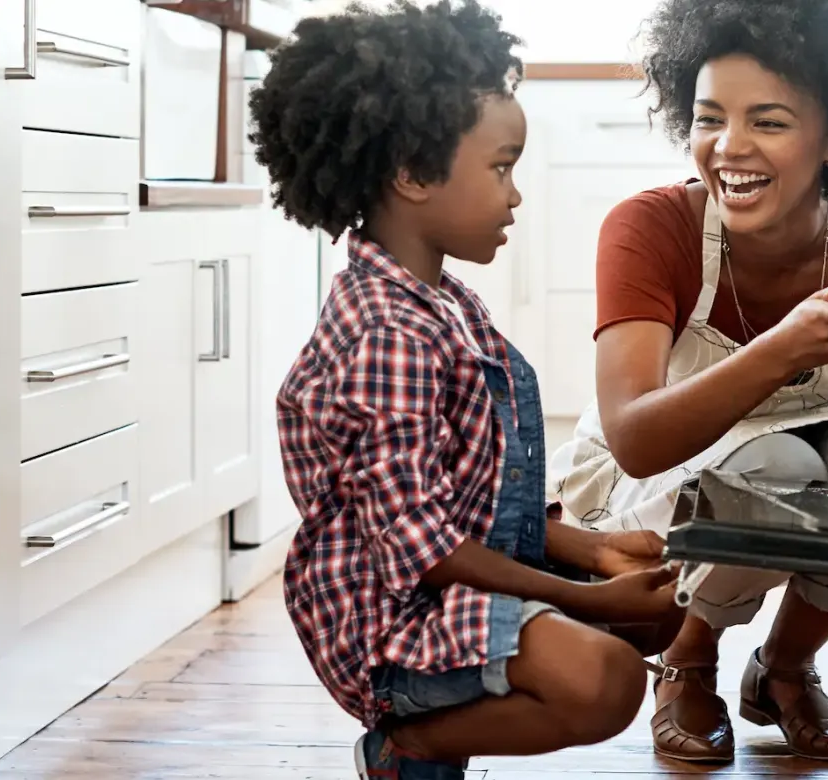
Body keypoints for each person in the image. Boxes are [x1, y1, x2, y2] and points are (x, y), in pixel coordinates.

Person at [544, 0, 828, 764]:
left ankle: (784, 671)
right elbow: (635, 438)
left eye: (768, 121)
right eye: (708, 118)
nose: (728, 147)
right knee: (776, 470)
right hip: (660, 474)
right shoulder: (650, 226)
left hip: (811, 436)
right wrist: (780, 349)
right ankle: (686, 659)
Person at [252, 3, 689, 778]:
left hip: (446, 579)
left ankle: (442, 738)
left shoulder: (443, 301)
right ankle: (407, 745)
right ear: (413, 174)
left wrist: (596, 549)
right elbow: (423, 547)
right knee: (608, 679)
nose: (515, 194)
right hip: (391, 622)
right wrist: (588, 599)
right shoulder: (386, 333)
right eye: (500, 167)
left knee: (658, 616)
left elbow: (472, 496)